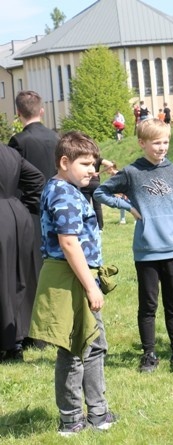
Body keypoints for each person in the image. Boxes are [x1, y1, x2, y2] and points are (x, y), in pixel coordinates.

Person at [94, 119, 173, 373]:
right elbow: (100, 193)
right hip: (147, 252)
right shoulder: (132, 172)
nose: (162, 147)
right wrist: (128, 207)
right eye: (156, 143)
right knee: (148, 304)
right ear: (142, 143)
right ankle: (149, 354)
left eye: (165, 142)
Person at [29, 131, 117, 435]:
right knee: (77, 348)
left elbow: (90, 178)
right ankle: (74, 418)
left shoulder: (61, 186)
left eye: (94, 164)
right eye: (85, 164)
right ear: (64, 162)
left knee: (91, 345)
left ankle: (96, 412)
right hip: (72, 277)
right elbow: (68, 243)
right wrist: (91, 287)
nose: (92, 171)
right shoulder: (64, 193)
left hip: (75, 274)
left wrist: (96, 166)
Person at [8, 90, 60, 348]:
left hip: (31, 212)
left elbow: (13, 180)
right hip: (58, 210)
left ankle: (33, 332)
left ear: (18, 114)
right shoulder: (56, 137)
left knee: (30, 271)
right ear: (42, 110)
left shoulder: (18, 142)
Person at [0, 144, 44, 362]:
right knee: (19, 277)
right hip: (19, 217)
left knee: (3, 280)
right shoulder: (10, 152)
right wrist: (23, 206)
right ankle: (19, 338)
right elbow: (37, 179)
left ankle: (8, 342)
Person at [80, 157, 116, 231]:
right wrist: (99, 173)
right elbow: (110, 164)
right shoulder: (98, 159)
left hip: (85, 183)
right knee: (97, 207)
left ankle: (86, 225)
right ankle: (100, 227)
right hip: (95, 183)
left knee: (85, 206)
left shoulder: (84, 158)